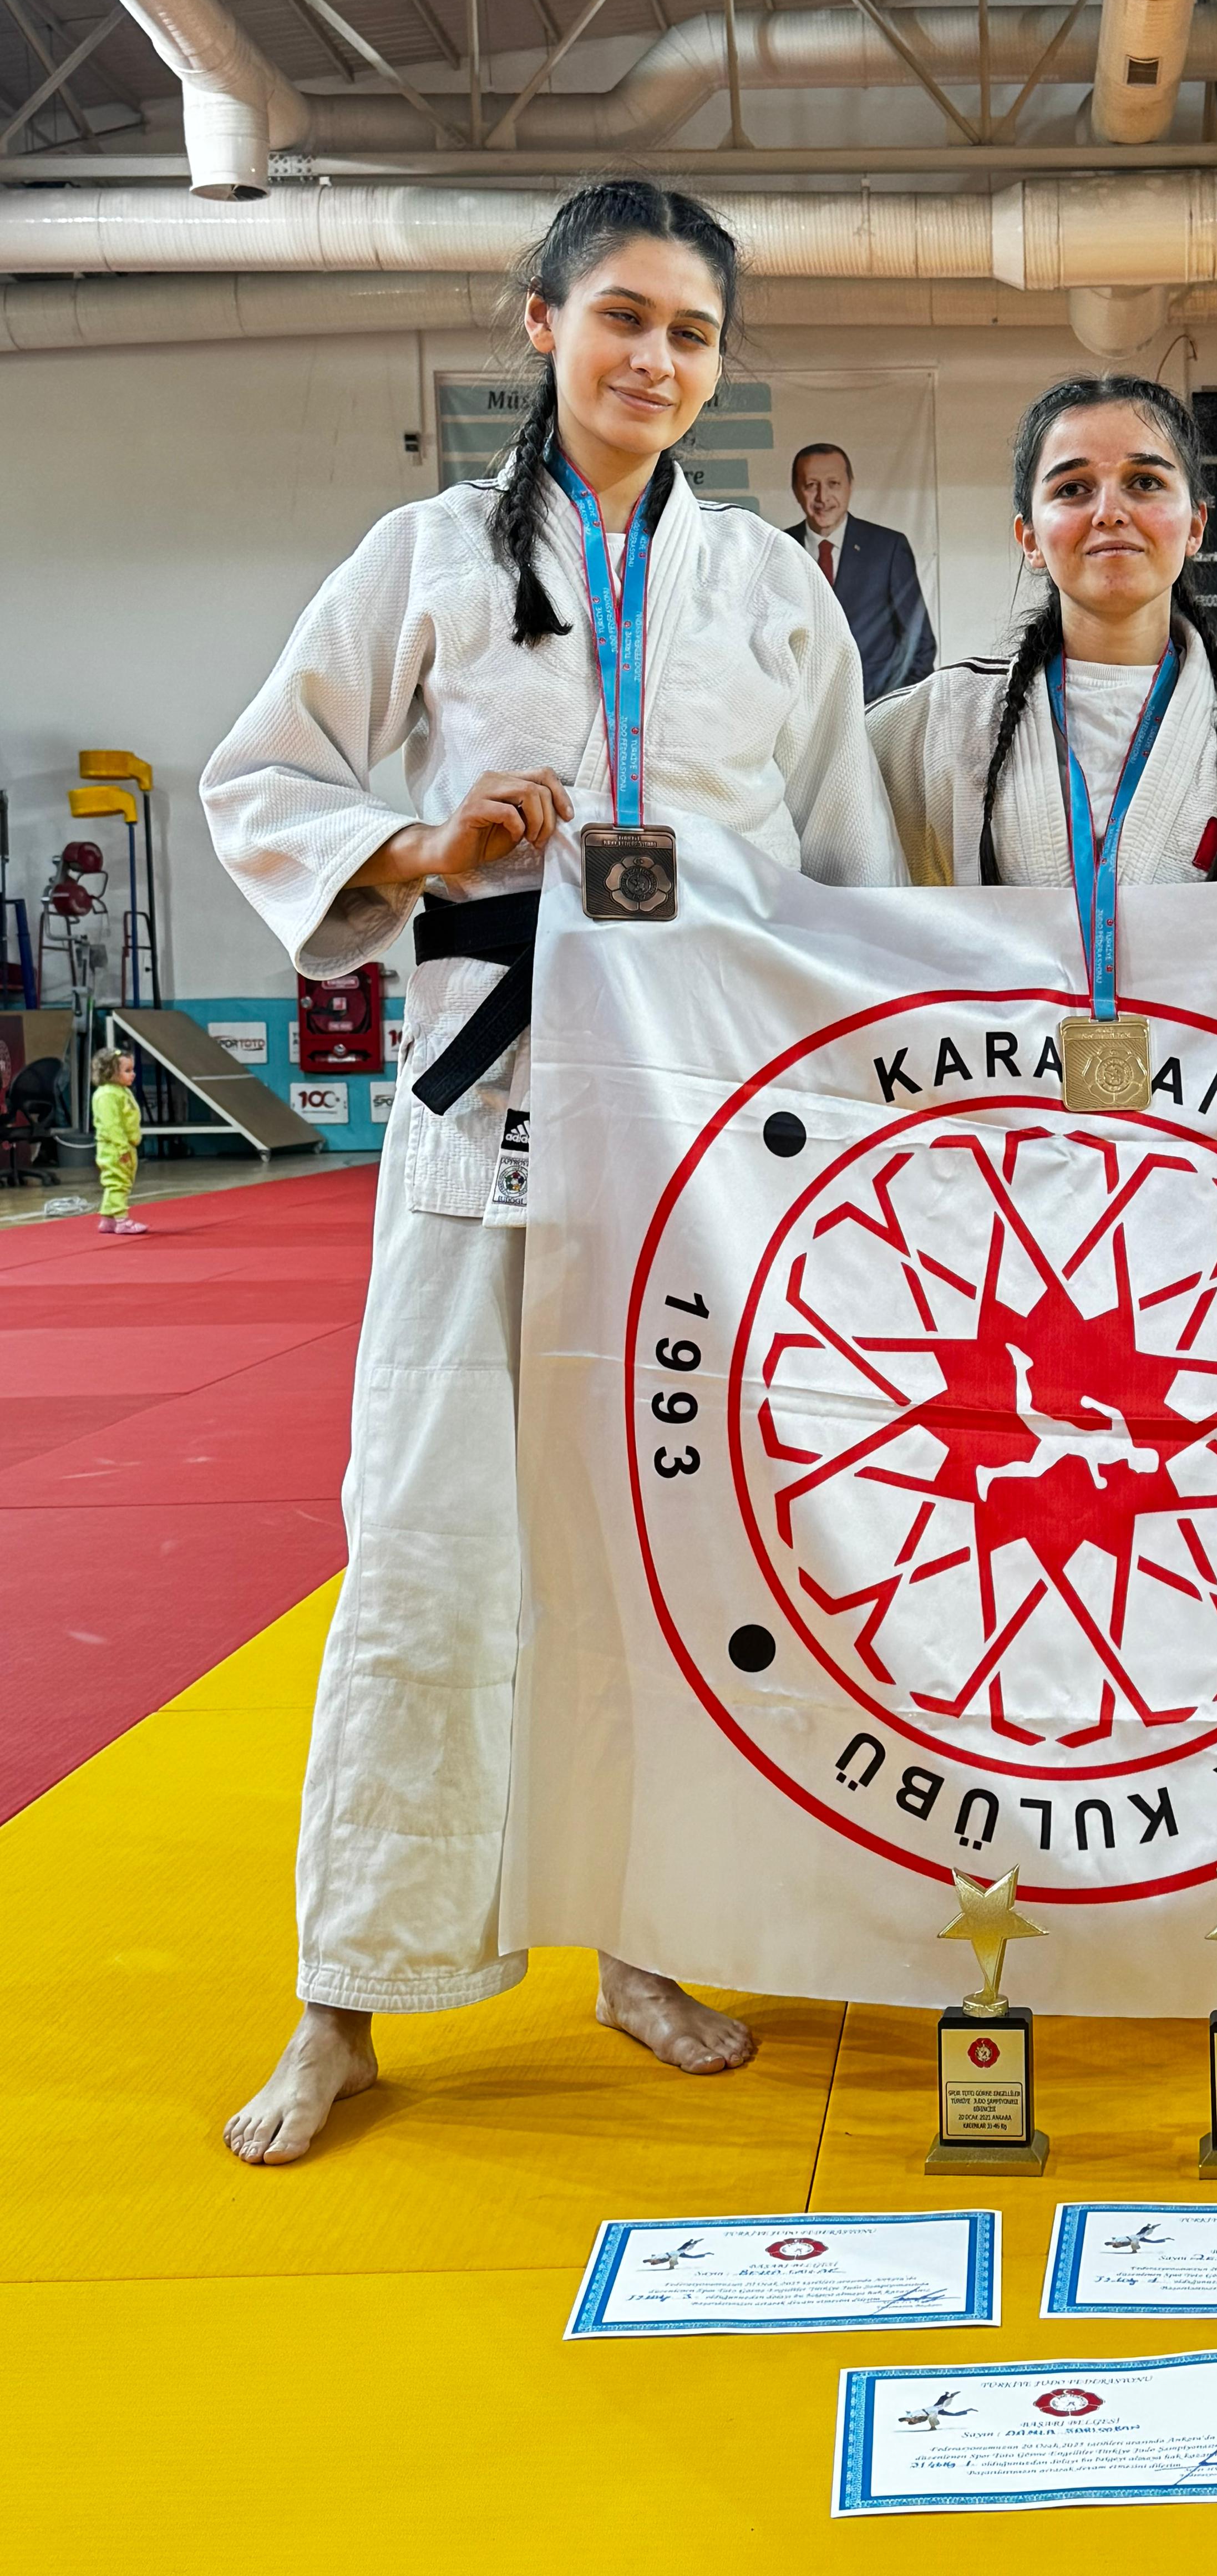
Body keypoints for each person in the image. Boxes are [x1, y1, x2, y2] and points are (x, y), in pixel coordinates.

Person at [202, 181, 904, 2166]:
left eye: (691, 331)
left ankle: (645, 1939)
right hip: (486, 1100)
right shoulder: (425, 555)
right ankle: (345, 1990)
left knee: (685, 1562)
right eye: (623, 317)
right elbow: (263, 777)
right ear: (540, 323)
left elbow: (851, 862)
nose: (656, 359)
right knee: (428, 1548)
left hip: (707, 1140)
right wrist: (423, 845)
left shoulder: (765, 586)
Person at [867, 373, 1217, 887]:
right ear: (1030, 539)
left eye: (1145, 482)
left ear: (1196, 525)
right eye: (1073, 489)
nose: (1109, 513)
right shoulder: (939, 723)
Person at [789, 441, 937, 703]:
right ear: (796, 490)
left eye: (834, 484)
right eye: (811, 485)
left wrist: (896, 707)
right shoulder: (779, 549)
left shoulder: (888, 548)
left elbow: (920, 644)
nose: (823, 497)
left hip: (874, 710)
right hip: (802, 713)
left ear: (850, 485)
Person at [90, 1042, 146, 1235]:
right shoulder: (107, 1095)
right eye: (127, 1070)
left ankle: (108, 1219)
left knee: (120, 1182)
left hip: (125, 1145)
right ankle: (122, 1220)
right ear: (110, 1072)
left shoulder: (121, 1091)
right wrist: (122, 1148)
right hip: (114, 1148)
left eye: (132, 1070)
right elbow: (112, 1125)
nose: (133, 1074)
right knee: (118, 1183)